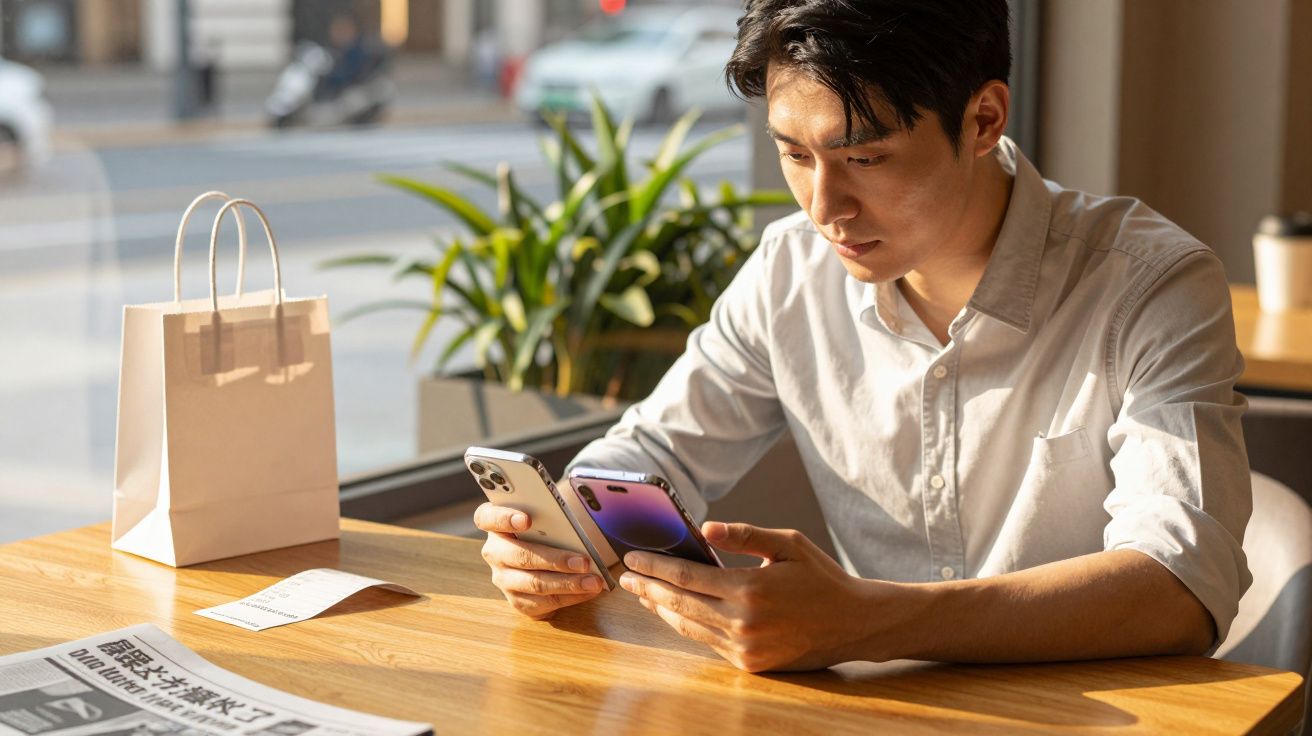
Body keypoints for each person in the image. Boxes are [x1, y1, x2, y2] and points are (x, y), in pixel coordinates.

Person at [474, 0, 1252, 672]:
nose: (825, 206)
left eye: (866, 157)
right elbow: (652, 454)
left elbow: (1178, 589)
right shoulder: (791, 269)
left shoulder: (1149, 283)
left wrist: (869, 620)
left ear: (983, 119)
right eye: (794, 154)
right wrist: (561, 535)